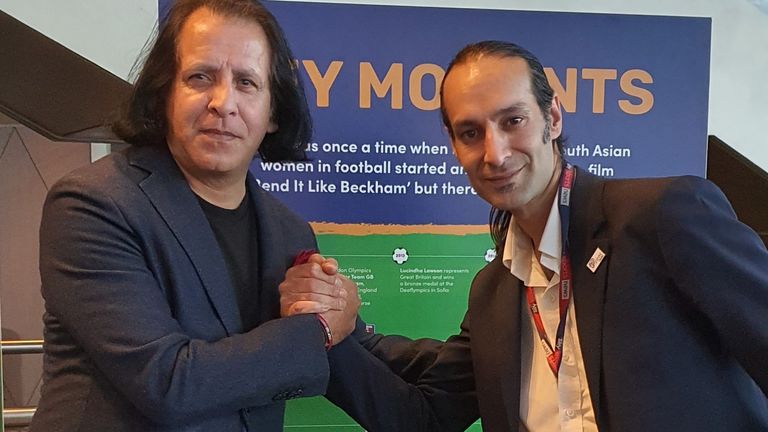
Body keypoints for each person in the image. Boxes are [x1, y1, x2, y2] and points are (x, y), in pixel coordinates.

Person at [283, 40, 768, 431]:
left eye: (512, 121)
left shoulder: (659, 216)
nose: (494, 153)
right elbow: (423, 417)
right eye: (470, 132)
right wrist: (336, 337)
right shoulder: (494, 292)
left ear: (552, 119)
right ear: (454, 146)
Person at [30, 1, 361, 431]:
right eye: (200, 77)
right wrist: (319, 327)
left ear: (273, 113)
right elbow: (168, 383)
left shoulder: (288, 231)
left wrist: (341, 306)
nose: (223, 103)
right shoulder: (92, 204)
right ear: (164, 93)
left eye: (246, 82)